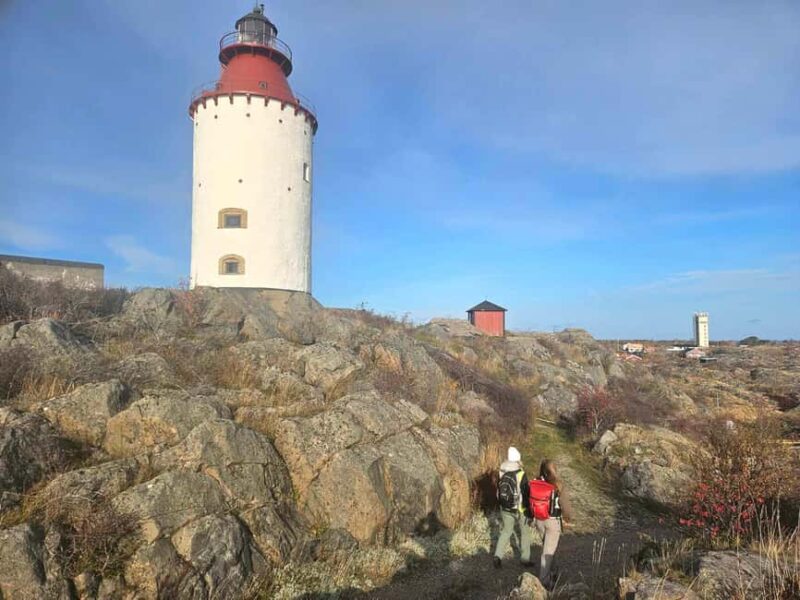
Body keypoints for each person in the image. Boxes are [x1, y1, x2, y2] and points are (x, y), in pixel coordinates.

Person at [531, 459, 572, 587]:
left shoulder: (536, 482)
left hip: (539, 520)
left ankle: (553, 572)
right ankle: (544, 582)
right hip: (553, 523)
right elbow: (566, 508)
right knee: (547, 552)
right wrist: (567, 518)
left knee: (548, 546)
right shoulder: (558, 485)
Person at [492, 446, 532, 568]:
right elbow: (526, 494)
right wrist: (529, 510)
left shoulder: (502, 470)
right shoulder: (521, 473)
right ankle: (525, 559)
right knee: (525, 533)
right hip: (519, 508)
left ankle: (497, 556)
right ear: (518, 459)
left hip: (504, 507)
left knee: (506, 531)